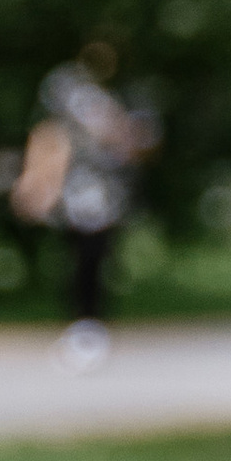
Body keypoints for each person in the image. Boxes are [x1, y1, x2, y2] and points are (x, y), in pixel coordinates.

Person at [11, 39, 158, 367]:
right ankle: (84, 327)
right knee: (82, 262)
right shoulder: (75, 99)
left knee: (92, 261)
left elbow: (135, 145)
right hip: (81, 196)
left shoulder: (118, 100)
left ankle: (89, 328)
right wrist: (40, 181)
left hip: (103, 197)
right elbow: (53, 138)